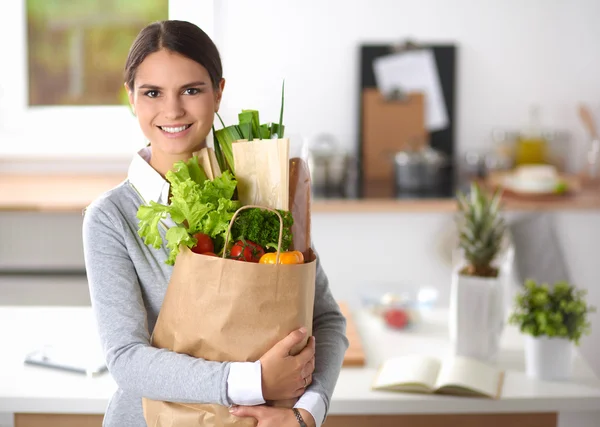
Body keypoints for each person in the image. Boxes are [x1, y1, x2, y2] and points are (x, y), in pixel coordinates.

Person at [82, 19, 348, 427]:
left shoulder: (262, 189)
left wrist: (306, 412)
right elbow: (126, 360)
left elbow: (326, 318)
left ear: (219, 92)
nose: (172, 110)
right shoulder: (111, 217)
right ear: (131, 98)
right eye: (152, 92)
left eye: (191, 90)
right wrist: (255, 381)